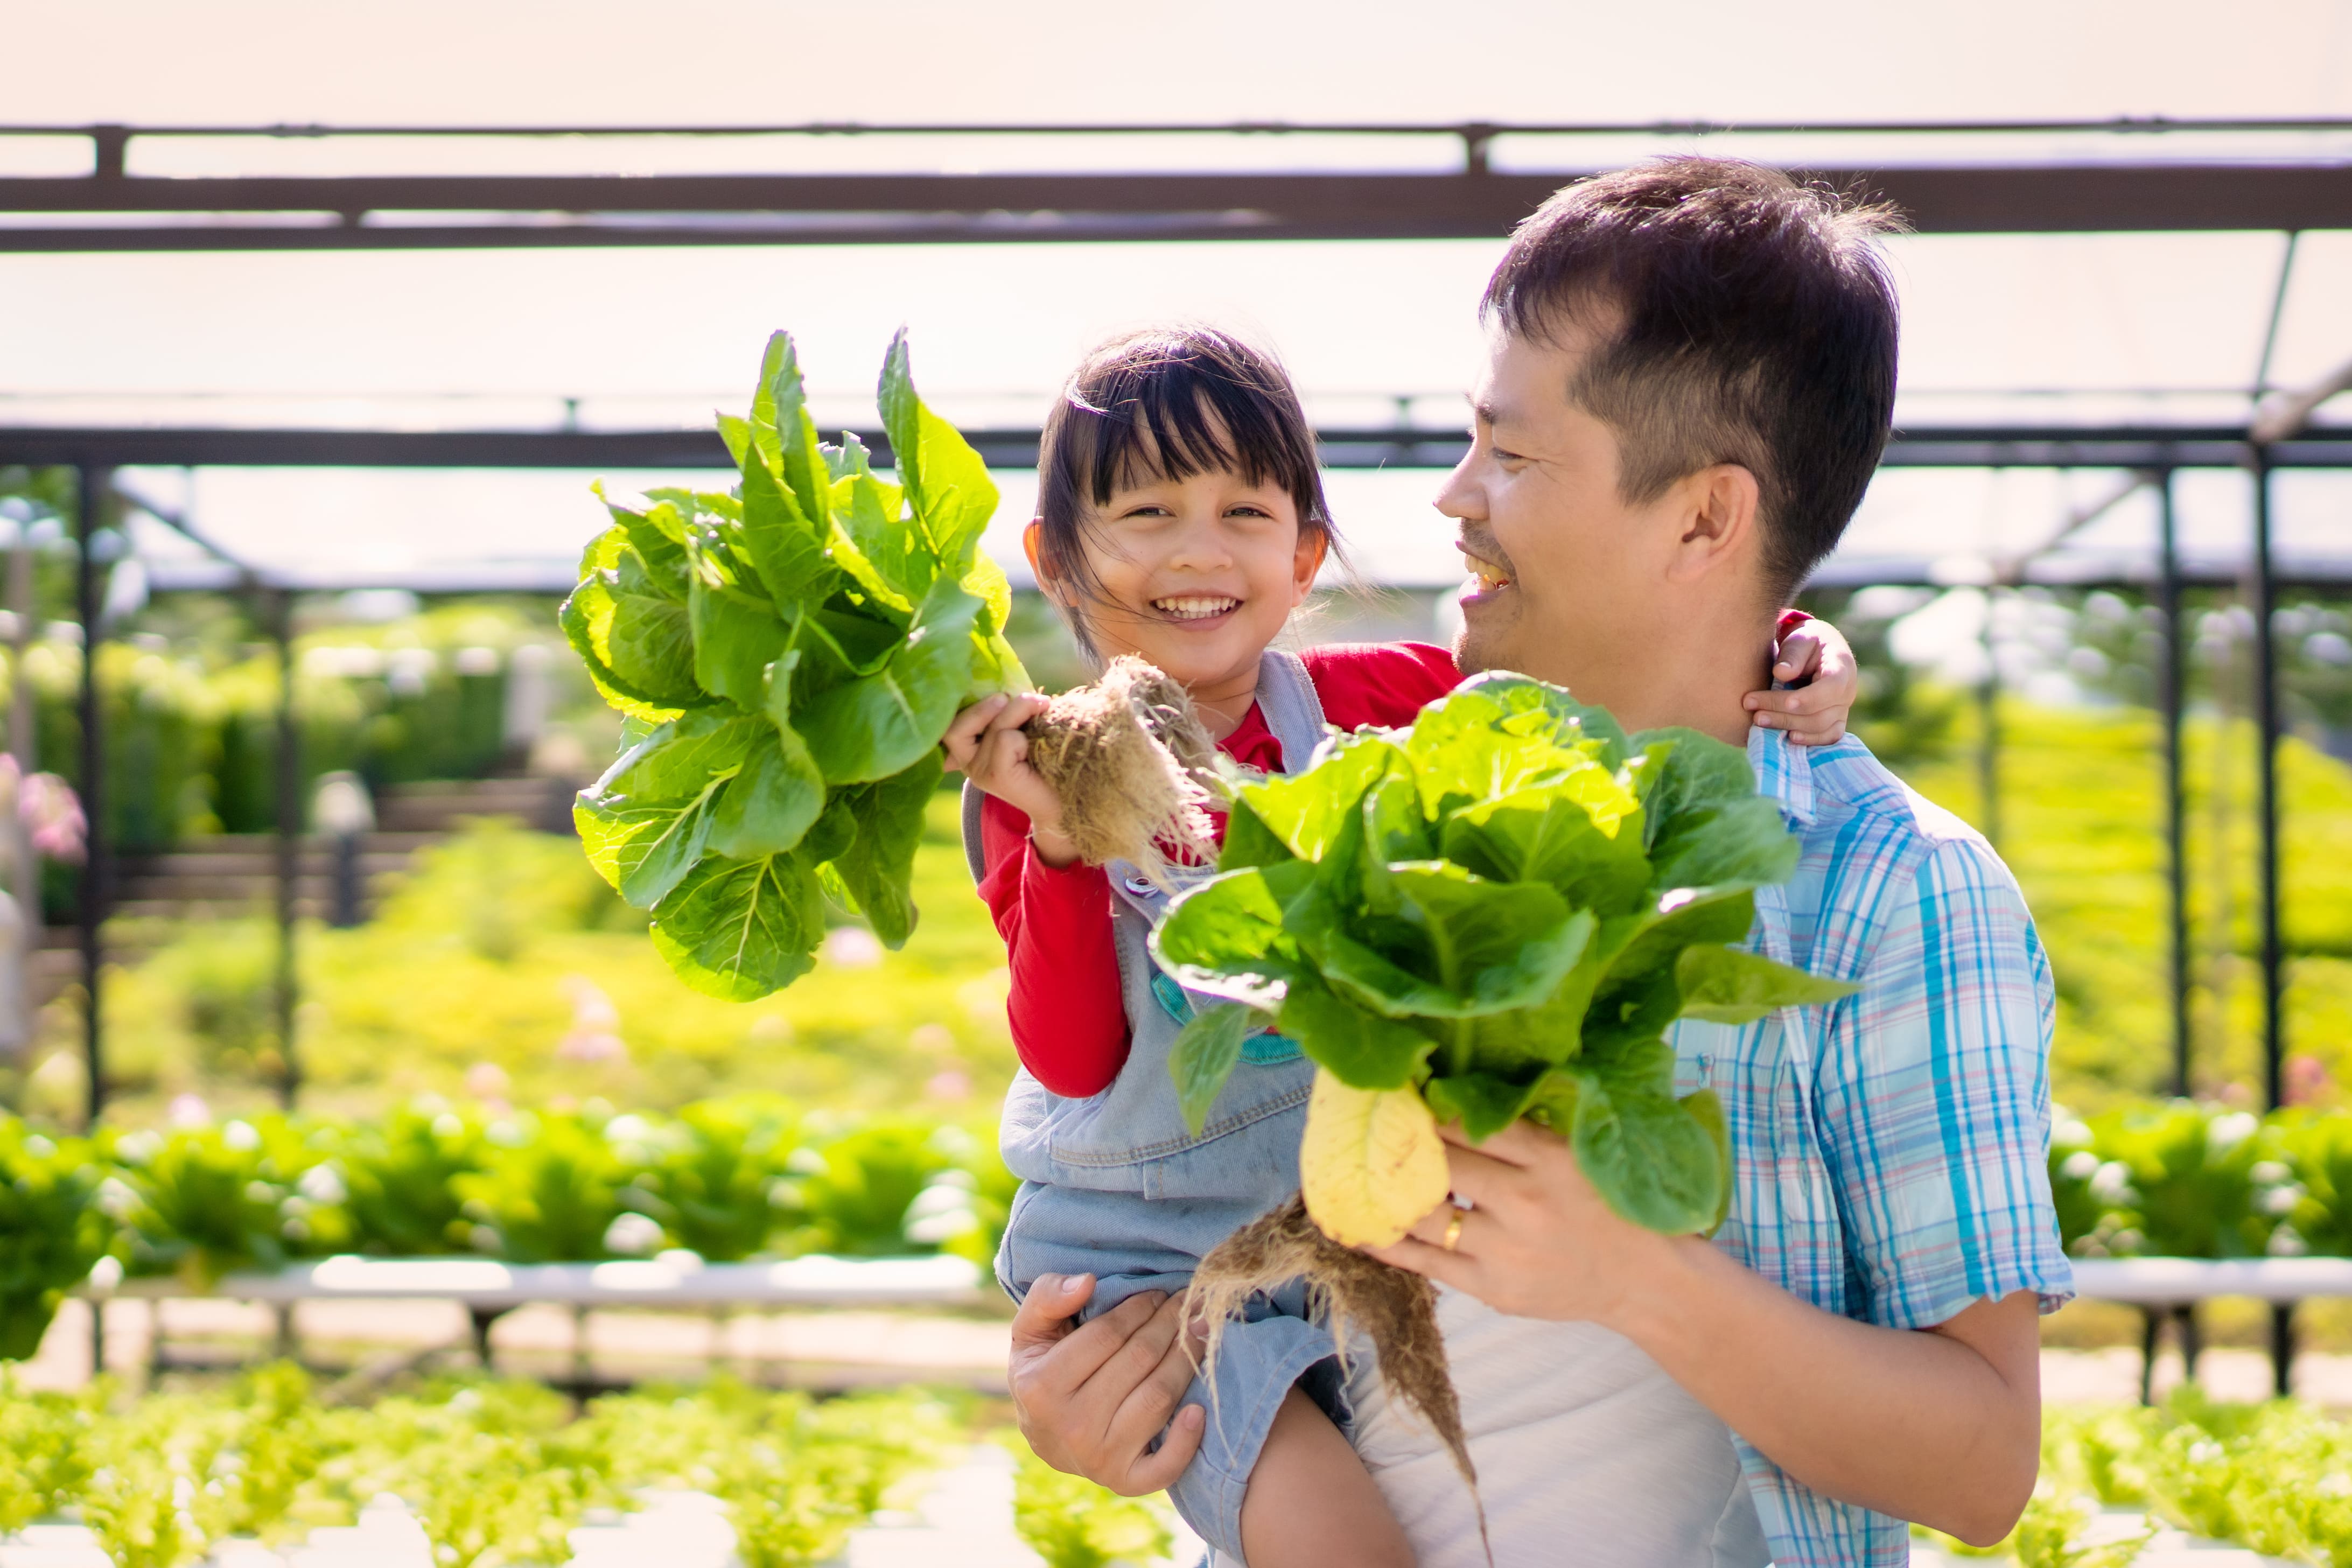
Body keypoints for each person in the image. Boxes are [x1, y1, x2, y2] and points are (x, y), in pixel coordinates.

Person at [1001, 160, 2074, 1568]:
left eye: (1510, 454)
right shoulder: (1381, 801)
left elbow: (1985, 1466)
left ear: (1703, 519)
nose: (1453, 497)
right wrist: (1125, 1397)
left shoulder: (1895, 894)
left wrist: (1632, 1276)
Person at [943, 322, 1859, 1567]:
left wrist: (1790, 644)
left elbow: (1606, 691)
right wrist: (1060, 846)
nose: (1198, 552)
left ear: (1306, 549)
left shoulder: (1384, 699)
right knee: (1346, 1545)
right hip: (1157, 1267)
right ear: (1056, 557)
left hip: (1343, 1217)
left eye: (1245, 511)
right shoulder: (1030, 769)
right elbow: (1071, 1055)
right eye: (1145, 512)